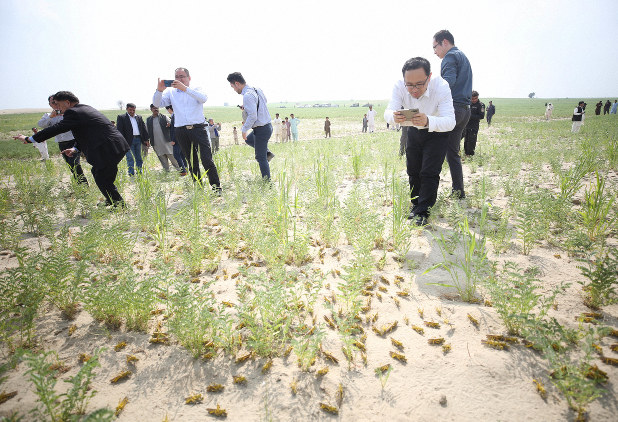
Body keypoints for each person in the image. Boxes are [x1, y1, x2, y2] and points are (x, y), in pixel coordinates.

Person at [14, 91, 129, 207]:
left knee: (101, 176)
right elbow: (86, 133)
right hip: (114, 146)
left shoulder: (72, 112)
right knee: (99, 173)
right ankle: (112, 200)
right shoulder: (84, 108)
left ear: (67, 102)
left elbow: (57, 128)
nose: (57, 108)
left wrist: (30, 139)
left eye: (58, 104)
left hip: (108, 148)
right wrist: (75, 149)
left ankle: (119, 205)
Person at [384, 57, 455, 226]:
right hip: (413, 130)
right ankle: (415, 204)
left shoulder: (442, 87)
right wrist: (393, 117)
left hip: (437, 130)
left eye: (419, 84)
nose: (413, 89)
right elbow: (388, 111)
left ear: (429, 77)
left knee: (429, 172)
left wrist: (428, 121)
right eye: (409, 84)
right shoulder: (399, 86)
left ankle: (423, 211)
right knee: (413, 169)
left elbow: (450, 121)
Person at [153, 67, 221, 191]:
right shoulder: (171, 93)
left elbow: (203, 98)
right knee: (191, 161)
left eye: (182, 76)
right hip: (181, 130)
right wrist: (159, 90)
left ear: (189, 78)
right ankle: (198, 188)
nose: (179, 79)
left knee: (206, 159)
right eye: (177, 76)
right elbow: (157, 104)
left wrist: (185, 89)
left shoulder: (196, 89)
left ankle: (216, 188)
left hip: (198, 129)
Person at [433, 29, 472, 199]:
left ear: (445, 42)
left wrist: (430, 95)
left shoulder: (449, 57)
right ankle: (458, 191)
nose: (434, 52)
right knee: (452, 153)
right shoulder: (463, 56)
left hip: (453, 110)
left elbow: (448, 82)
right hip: (465, 110)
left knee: (433, 148)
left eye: (435, 47)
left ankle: (427, 193)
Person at [227, 72, 274, 180]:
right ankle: (267, 152)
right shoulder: (256, 89)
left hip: (261, 129)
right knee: (249, 140)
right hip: (267, 126)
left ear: (237, 83)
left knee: (260, 158)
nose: (233, 89)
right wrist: (248, 107)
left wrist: (244, 130)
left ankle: (267, 183)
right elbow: (264, 101)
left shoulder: (247, 95)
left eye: (232, 86)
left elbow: (252, 116)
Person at [38, 95, 88, 183]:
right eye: (53, 103)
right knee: (70, 165)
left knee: (75, 164)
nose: (56, 104)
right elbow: (41, 124)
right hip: (61, 143)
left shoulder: (69, 113)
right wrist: (51, 117)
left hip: (73, 142)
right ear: (50, 105)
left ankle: (83, 185)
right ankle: (80, 184)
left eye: (57, 102)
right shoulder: (48, 115)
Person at [116, 103, 149, 176]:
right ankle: (131, 173)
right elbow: (119, 131)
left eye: (133, 110)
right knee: (130, 158)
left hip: (138, 140)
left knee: (139, 157)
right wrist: (122, 142)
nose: (132, 111)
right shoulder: (122, 117)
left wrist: (146, 139)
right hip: (127, 141)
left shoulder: (139, 117)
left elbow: (143, 128)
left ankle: (139, 172)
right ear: (127, 109)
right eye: (130, 110)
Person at [147, 105, 180, 172]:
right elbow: (147, 130)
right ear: (151, 109)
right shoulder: (148, 120)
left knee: (172, 156)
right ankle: (166, 172)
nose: (156, 109)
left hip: (167, 142)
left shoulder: (164, 117)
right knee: (162, 158)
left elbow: (172, 124)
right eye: (154, 108)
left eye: (157, 108)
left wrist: (169, 124)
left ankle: (180, 170)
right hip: (156, 143)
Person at [165, 105, 187, 176]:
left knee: (176, 155)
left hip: (177, 139)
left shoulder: (174, 116)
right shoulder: (177, 115)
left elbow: (175, 129)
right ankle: (185, 169)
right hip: (181, 138)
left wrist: (173, 140)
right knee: (181, 155)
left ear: (169, 109)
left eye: (167, 109)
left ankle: (183, 171)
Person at [462, 91, 485, 157]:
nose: (474, 100)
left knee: (472, 140)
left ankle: (471, 154)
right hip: (466, 125)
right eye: (472, 98)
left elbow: (481, 116)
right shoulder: (468, 104)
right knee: (466, 140)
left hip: (474, 126)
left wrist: (469, 115)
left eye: (475, 98)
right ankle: (466, 154)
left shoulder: (481, 105)